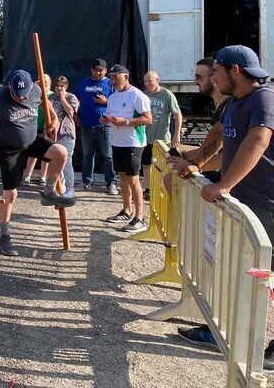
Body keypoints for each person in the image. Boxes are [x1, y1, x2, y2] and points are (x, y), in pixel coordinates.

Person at [173, 46, 274, 370]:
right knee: (234, 269)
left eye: (216, 71)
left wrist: (224, 185)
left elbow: (258, 141)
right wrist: (197, 164)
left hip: (267, 204)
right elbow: (222, 144)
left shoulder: (263, 98)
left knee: (269, 276)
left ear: (235, 70)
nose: (213, 78)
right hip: (243, 204)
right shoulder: (234, 103)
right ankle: (221, 330)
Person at [0, 69, 75, 256]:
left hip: (31, 141)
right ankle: (4, 234)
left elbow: (44, 102)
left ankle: (48, 193)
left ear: (31, 86)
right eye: (16, 95)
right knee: (11, 193)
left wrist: (54, 118)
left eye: (24, 95)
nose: (21, 98)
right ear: (9, 86)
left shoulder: (36, 90)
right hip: (8, 148)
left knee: (61, 152)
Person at [101, 64, 152, 233]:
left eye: (116, 77)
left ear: (126, 77)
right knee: (122, 177)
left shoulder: (137, 95)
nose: (113, 81)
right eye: (111, 78)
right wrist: (105, 120)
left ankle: (140, 218)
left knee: (133, 179)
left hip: (133, 143)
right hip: (117, 142)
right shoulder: (113, 96)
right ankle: (126, 211)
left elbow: (148, 119)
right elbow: (110, 115)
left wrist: (127, 122)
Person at [75, 58, 118, 194]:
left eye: (100, 70)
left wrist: (105, 102)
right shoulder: (83, 83)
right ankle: (86, 181)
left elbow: (119, 104)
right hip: (86, 125)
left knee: (107, 155)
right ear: (91, 70)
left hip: (104, 126)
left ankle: (111, 182)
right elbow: (75, 101)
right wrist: (76, 116)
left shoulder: (110, 83)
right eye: (95, 70)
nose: (98, 73)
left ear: (106, 71)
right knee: (88, 155)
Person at [142, 70, 182, 182]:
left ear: (157, 80)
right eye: (145, 81)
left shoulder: (167, 95)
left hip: (162, 138)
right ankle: (149, 189)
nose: (147, 84)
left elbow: (177, 114)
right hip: (146, 137)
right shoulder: (144, 95)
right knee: (146, 164)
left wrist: (177, 134)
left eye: (149, 81)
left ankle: (163, 187)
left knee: (163, 166)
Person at [49, 76, 79, 198]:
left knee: (67, 161)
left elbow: (71, 112)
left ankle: (70, 188)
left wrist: (62, 98)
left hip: (66, 133)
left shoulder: (71, 97)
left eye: (62, 86)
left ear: (66, 86)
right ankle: (60, 187)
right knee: (55, 161)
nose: (59, 88)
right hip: (53, 133)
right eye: (57, 86)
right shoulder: (51, 97)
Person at [24, 74, 53, 185]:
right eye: (41, 81)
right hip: (34, 127)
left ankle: (43, 177)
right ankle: (27, 176)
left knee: (46, 154)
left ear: (49, 83)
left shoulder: (52, 96)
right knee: (32, 153)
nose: (43, 83)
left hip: (46, 128)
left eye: (45, 81)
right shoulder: (33, 94)